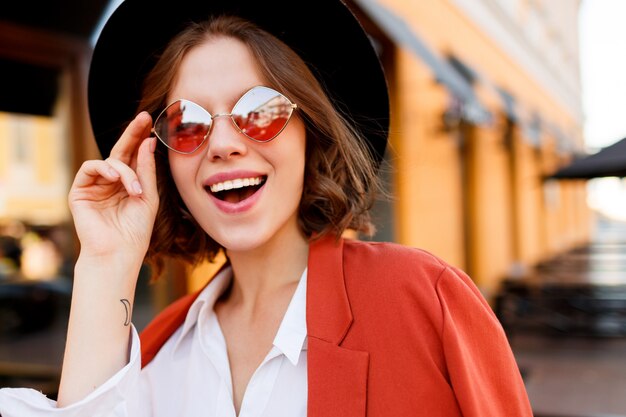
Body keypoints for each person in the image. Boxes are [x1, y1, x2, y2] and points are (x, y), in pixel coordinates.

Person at [0, 0, 533, 415]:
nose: (223, 143)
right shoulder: (159, 350)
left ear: (310, 133)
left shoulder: (423, 299)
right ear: (162, 162)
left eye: (259, 109)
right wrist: (105, 263)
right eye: (187, 121)